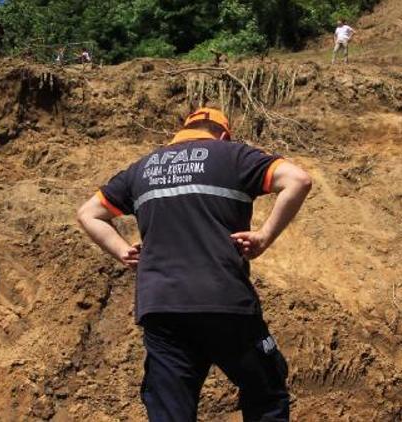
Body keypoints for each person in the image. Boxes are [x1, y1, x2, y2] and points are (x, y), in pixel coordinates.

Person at [76, 107, 312, 421]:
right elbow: (299, 180)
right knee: (266, 395)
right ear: (224, 135)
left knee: (171, 411)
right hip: (224, 302)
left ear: (183, 131)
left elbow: (88, 213)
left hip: (161, 307)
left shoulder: (141, 169)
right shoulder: (233, 156)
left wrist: (122, 250)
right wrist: (264, 237)